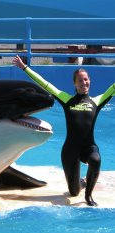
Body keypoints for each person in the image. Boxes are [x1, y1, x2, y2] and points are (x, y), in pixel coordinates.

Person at [13, 55, 115, 206]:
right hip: (70, 149)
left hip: (88, 147)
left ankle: (88, 197)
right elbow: (45, 84)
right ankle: (81, 183)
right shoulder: (67, 99)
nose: (84, 82)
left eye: (86, 79)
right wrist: (25, 68)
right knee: (73, 192)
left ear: (90, 81)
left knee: (96, 160)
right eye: (80, 80)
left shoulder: (96, 101)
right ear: (75, 83)